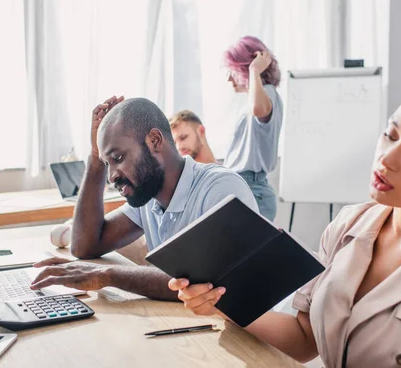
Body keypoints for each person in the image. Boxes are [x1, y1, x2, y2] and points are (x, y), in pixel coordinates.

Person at [169, 75, 401, 368]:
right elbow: (305, 340)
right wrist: (221, 303)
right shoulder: (350, 223)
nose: (388, 159)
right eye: (391, 134)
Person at [30, 96, 258, 301]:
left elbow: (208, 283)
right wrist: (95, 157)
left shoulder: (221, 188)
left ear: (155, 141)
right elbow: (85, 246)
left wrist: (106, 275)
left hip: (248, 340)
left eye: (118, 157)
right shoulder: (150, 197)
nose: (112, 176)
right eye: (107, 164)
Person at [222, 36, 283, 221]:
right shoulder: (253, 101)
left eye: (233, 71)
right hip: (241, 186)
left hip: (252, 190)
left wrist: (254, 69)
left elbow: (258, 109)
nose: (229, 78)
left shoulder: (268, 93)